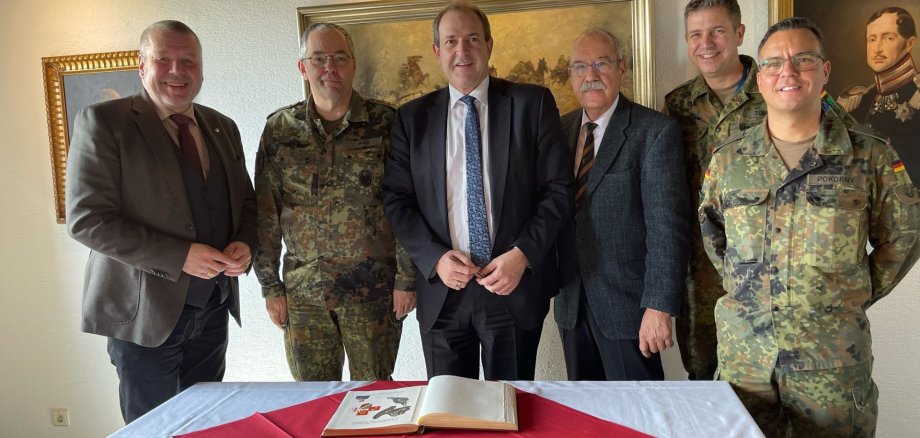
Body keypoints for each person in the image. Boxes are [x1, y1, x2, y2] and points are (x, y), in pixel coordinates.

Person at [699, 17, 920, 435]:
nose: (788, 71)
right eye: (773, 64)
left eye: (802, 59)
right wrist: (749, 290)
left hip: (831, 365)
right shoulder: (729, 159)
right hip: (746, 362)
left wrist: (848, 293)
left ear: (825, 71)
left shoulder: (868, 154)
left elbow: (903, 235)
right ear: (760, 78)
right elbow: (713, 233)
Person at [65, 20, 257, 423]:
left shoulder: (223, 126)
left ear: (201, 69)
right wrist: (179, 256)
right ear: (141, 65)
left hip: (213, 310)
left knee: (205, 424)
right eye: (163, 59)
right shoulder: (104, 123)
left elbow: (246, 202)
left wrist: (245, 242)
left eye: (188, 61)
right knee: (153, 429)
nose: (177, 71)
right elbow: (87, 219)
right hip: (144, 316)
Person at [382, 0, 572, 380]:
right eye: (451, 41)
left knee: (510, 409)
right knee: (449, 414)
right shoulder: (412, 118)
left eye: (471, 39)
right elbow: (397, 200)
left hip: (511, 288)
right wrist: (435, 258)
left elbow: (558, 191)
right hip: (443, 294)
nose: (462, 51)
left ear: (489, 44)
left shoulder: (531, 104)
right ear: (437, 52)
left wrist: (522, 255)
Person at [254, 22, 416, 381]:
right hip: (304, 296)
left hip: (372, 294)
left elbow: (406, 206)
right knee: (312, 401)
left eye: (339, 57)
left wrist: (407, 279)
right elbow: (266, 213)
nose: (330, 67)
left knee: (374, 398)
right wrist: (270, 287)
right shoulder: (280, 129)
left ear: (353, 63)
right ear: (303, 67)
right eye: (319, 58)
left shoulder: (386, 123)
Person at [554, 29, 690, 381]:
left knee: (639, 418)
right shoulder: (559, 131)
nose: (590, 76)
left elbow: (667, 227)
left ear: (621, 68)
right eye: (580, 67)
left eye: (601, 63)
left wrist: (658, 306)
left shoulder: (654, 132)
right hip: (572, 304)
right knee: (588, 417)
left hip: (630, 306)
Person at [663, 0, 762, 381]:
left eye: (717, 31)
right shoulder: (678, 105)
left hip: (763, 268)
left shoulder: (777, 94)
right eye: (695, 34)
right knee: (702, 376)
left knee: (766, 382)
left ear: (738, 33)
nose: (706, 43)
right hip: (700, 272)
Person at [839, 7, 920, 184]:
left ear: (909, 43)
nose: (877, 48)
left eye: (888, 38)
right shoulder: (860, 101)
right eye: (872, 39)